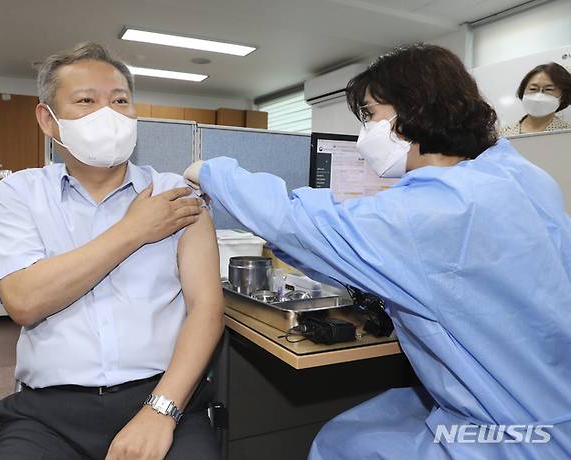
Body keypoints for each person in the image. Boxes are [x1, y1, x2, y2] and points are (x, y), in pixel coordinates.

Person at [184, 44, 571, 459]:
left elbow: (294, 222)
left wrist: (207, 171)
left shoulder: (430, 210)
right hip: (553, 401)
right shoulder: (518, 175)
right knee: (364, 422)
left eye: (370, 114)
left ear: (413, 110)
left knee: (338, 444)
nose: (364, 131)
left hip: (510, 432)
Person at [0, 42, 224, 460]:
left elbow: (207, 309)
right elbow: (23, 301)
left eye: (120, 100)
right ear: (49, 120)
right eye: (85, 101)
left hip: (162, 396)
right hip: (48, 412)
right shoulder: (20, 192)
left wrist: (161, 411)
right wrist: (133, 231)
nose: (108, 113)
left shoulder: (177, 195)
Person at [499, 62, 571, 136]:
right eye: (533, 89)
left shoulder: (567, 134)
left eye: (548, 89)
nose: (538, 96)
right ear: (523, 91)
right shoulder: (503, 134)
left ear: (562, 96)